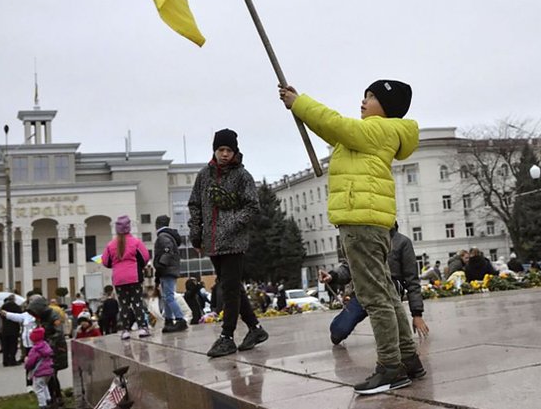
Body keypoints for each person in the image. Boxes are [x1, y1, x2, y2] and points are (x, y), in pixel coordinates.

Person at [280, 79, 425, 395]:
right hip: (367, 222)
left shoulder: (379, 129)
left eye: (372, 97)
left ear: (387, 108)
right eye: (365, 94)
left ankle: (390, 367)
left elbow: (335, 125)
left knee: (374, 296)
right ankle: (408, 360)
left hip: (362, 224)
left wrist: (299, 103)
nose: (363, 100)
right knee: (384, 292)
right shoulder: (376, 133)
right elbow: (336, 132)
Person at [188, 129, 269, 357]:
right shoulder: (204, 175)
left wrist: (233, 224)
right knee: (230, 285)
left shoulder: (242, 176)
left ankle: (227, 336)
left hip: (234, 241)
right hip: (212, 241)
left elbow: (252, 206)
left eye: (229, 150)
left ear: (235, 152)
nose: (225, 154)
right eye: (221, 149)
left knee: (230, 289)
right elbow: (195, 204)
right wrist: (196, 234)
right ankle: (255, 328)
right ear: (215, 150)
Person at [322, 223, 429, 346]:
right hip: (365, 292)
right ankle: (339, 329)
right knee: (338, 332)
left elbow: (412, 280)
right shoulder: (364, 240)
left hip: (390, 295)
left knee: (397, 339)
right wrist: (332, 276)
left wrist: (417, 314)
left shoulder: (402, 242)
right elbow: (349, 267)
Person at [101, 215, 152, 339]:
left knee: (123, 305)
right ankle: (142, 328)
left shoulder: (111, 245)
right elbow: (145, 258)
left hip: (119, 279)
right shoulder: (136, 242)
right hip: (134, 276)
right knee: (137, 302)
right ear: (129, 227)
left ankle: (125, 330)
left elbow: (105, 261)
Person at [26, 296, 68, 407]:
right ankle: (51, 397)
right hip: (46, 348)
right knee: (49, 374)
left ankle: (57, 397)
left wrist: (47, 343)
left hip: (55, 348)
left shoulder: (53, 315)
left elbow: (58, 332)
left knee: (52, 374)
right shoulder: (41, 318)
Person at [153, 214, 188, 333]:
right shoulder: (168, 235)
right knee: (166, 297)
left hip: (166, 270)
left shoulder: (163, 237)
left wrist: (160, 266)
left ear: (157, 224)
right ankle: (168, 320)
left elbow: (167, 251)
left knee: (168, 296)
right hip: (170, 270)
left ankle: (180, 319)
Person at [24, 327, 54, 409]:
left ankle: (42, 404)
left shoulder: (35, 349)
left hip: (39, 372)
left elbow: (30, 362)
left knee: (39, 389)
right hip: (49, 371)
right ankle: (48, 399)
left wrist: (26, 363)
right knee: (44, 385)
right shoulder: (46, 345)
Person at [0, 295, 22, 366]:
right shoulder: (16, 307)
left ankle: (5, 360)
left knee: (5, 346)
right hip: (13, 329)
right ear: (14, 300)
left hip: (5, 329)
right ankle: (12, 360)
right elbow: (19, 316)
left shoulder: (3, 307)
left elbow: (1, 317)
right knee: (13, 346)